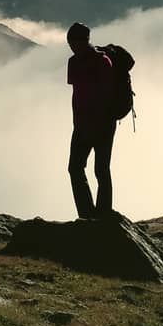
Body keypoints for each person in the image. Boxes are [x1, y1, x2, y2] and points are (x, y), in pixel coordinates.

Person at [65, 21, 120, 219]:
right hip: (94, 123)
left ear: (83, 41)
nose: (72, 47)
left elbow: (91, 94)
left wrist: (85, 121)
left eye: (73, 43)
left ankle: (92, 214)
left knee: (85, 169)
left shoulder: (97, 61)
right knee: (97, 169)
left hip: (95, 123)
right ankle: (96, 215)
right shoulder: (98, 61)